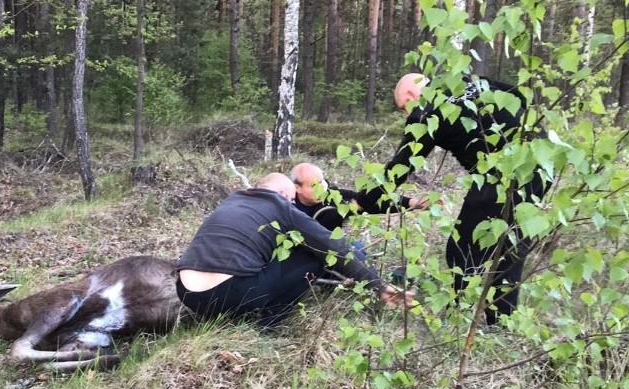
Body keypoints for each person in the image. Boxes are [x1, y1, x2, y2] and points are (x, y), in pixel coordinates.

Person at [357, 73, 551, 325]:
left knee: (463, 247)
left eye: (403, 109)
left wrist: (365, 200)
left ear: (410, 97)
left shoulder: (425, 111)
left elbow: (401, 166)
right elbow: (518, 94)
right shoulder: (467, 79)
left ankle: (459, 319)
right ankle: (501, 321)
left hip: (501, 173)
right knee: (511, 244)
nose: (406, 116)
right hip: (542, 160)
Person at [176, 173, 413, 327]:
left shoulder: (233, 200)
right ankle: (267, 324)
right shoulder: (281, 206)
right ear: (281, 194)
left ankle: (228, 318)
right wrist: (379, 285)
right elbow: (334, 246)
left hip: (186, 292)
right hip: (231, 293)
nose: (292, 204)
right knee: (315, 256)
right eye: (291, 199)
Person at [290, 162, 429, 231]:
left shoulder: (329, 193)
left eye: (322, 182)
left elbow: (369, 201)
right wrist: (349, 209)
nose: (321, 188)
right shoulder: (285, 204)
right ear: (298, 188)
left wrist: (412, 203)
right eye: (314, 186)